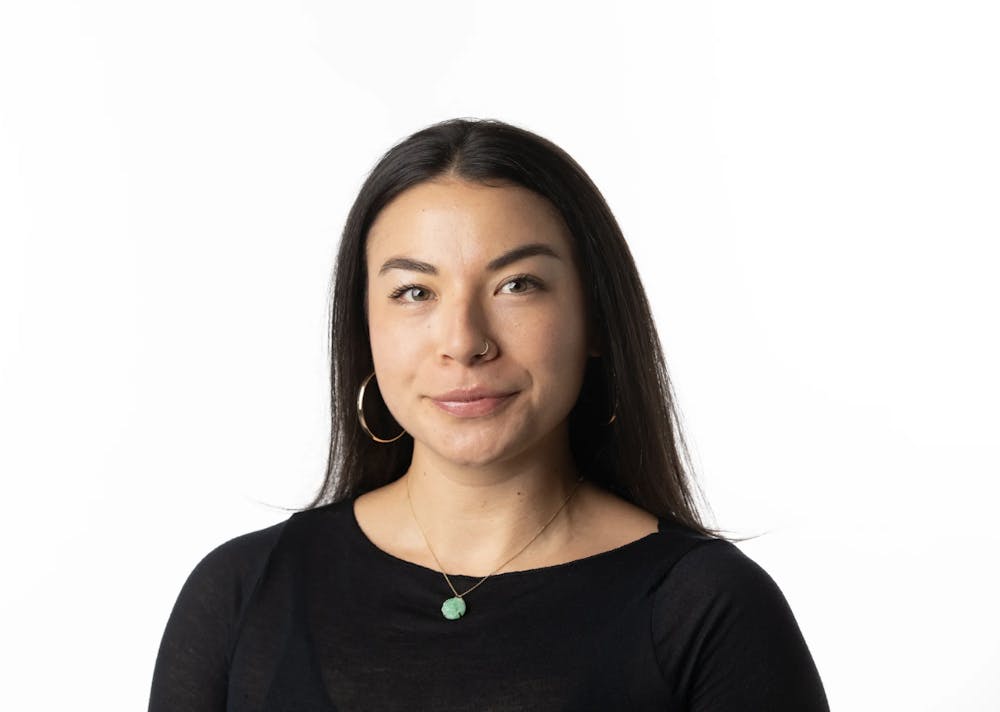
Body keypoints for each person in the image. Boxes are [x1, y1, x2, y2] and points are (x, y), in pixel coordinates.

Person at [148, 118, 829, 711]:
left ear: (595, 318)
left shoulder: (708, 609)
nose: (464, 340)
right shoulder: (241, 593)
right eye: (414, 292)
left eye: (517, 284)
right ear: (364, 329)